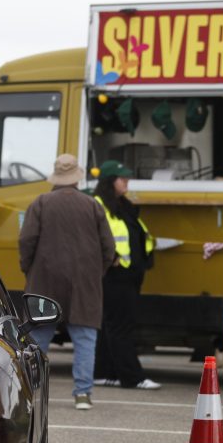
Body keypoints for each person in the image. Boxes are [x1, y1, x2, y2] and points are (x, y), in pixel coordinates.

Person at [18, 154, 116, 410]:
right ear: (76, 177)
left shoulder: (40, 203)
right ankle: (82, 394)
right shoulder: (93, 205)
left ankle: (32, 393)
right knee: (84, 339)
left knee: (39, 337)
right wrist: (97, 273)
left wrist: (29, 270)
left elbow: (26, 241)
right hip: (85, 282)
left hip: (45, 280)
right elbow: (109, 247)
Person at [91, 160, 161, 390]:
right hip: (114, 275)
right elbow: (95, 238)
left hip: (129, 275)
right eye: (123, 179)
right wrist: (111, 260)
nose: (127, 182)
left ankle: (102, 372)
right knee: (121, 327)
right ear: (110, 181)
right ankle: (133, 377)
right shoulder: (99, 205)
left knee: (110, 325)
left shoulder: (122, 205)